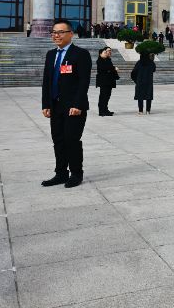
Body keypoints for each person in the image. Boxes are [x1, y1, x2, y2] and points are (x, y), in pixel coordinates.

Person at [40, 18, 91, 188]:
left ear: (71, 34)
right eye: (54, 32)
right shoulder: (51, 55)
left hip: (74, 107)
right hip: (55, 106)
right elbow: (46, 81)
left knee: (72, 140)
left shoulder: (80, 54)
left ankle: (76, 173)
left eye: (60, 32)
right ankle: (61, 173)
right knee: (59, 140)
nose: (56, 35)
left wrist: (77, 105)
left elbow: (84, 82)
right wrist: (46, 104)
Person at [95, 47, 118, 116]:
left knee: (107, 96)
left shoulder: (107, 60)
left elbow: (109, 68)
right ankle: (101, 111)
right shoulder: (99, 61)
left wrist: (112, 69)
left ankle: (105, 109)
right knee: (103, 96)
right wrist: (113, 68)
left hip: (109, 81)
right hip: (103, 82)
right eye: (105, 52)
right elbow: (105, 68)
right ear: (100, 54)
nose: (106, 53)